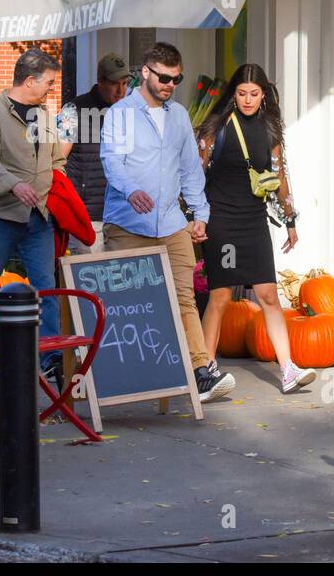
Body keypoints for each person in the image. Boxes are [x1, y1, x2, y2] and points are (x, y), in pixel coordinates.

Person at [99, 42, 235, 403]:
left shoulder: (177, 116)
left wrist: (200, 214)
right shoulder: (121, 113)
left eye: (176, 79)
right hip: (129, 223)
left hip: (172, 224)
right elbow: (112, 161)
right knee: (127, 304)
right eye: (163, 78)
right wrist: (130, 191)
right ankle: (119, 377)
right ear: (145, 72)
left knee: (184, 298)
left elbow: (190, 169)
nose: (169, 85)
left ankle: (200, 371)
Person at [196, 64, 313, 394]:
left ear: (264, 95)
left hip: (254, 222)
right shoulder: (216, 128)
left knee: (269, 296)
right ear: (234, 93)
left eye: (254, 93)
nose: (248, 100)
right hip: (223, 223)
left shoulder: (271, 130)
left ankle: (288, 368)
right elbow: (194, 174)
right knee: (220, 295)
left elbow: (280, 177)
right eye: (242, 93)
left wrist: (290, 220)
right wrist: (194, 217)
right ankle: (206, 369)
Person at [0, 48, 68, 385]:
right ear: (29, 80)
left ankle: (52, 355)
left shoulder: (44, 116)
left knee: (45, 284)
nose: (51, 89)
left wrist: (58, 188)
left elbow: (55, 159)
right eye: (49, 83)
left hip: (38, 216)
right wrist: (14, 185)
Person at [57, 52, 132, 253]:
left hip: (124, 214)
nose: (121, 90)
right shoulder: (72, 109)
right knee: (88, 278)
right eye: (115, 83)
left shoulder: (131, 112)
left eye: (125, 83)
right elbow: (57, 158)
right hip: (87, 215)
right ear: (100, 81)